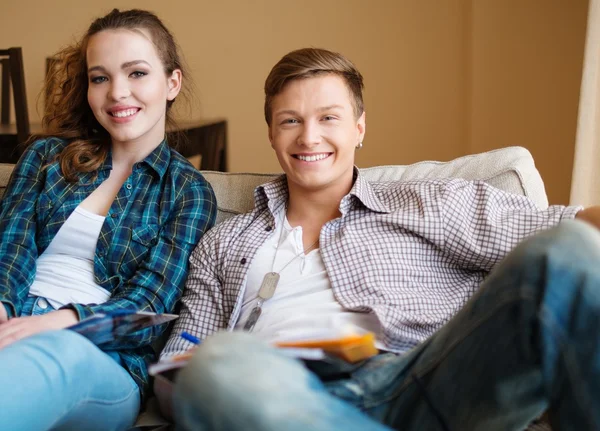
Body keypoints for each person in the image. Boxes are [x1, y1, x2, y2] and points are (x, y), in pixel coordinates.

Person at [159, 47, 600, 430]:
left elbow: (572, 230)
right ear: (272, 133)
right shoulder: (223, 242)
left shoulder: (430, 203)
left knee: (571, 248)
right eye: (290, 120)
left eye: (328, 117)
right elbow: (178, 366)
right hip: (283, 397)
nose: (309, 136)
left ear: (359, 128)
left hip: (421, 382)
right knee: (213, 367)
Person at [0, 9, 216, 431]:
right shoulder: (45, 157)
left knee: (54, 355)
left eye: (136, 73)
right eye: (100, 78)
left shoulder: (188, 192)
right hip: (12, 321)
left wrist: (53, 323)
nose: (118, 92)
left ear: (171, 83)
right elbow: (9, 249)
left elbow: (148, 305)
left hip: (100, 356)